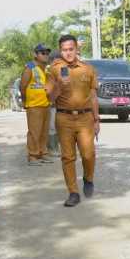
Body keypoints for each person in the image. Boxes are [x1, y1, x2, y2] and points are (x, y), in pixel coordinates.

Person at [46, 34, 99, 207]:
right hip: (64, 118)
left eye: (71, 49)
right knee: (67, 157)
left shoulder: (88, 69)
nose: (68, 53)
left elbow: (93, 96)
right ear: (60, 51)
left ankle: (88, 178)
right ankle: (73, 192)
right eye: (64, 50)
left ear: (77, 49)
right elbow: (50, 98)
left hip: (85, 118)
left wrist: (97, 120)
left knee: (88, 154)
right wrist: (59, 86)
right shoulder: (54, 70)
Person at [19, 43, 54, 165]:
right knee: (34, 132)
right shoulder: (30, 67)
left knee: (44, 132)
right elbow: (23, 85)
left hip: (45, 104)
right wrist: (24, 101)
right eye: (42, 53)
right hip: (34, 105)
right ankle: (33, 156)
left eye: (47, 53)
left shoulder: (45, 68)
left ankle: (43, 153)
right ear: (35, 54)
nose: (45, 55)